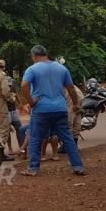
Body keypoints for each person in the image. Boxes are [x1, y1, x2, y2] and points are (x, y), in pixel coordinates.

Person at [20, 45, 85, 176]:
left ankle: (33, 169)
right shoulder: (61, 68)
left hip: (41, 109)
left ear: (33, 56)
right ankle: (78, 166)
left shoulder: (32, 69)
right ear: (46, 54)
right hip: (60, 108)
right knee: (67, 138)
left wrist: (31, 102)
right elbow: (71, 88)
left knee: (35, 139)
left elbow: (24, 85)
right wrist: (76, 104)